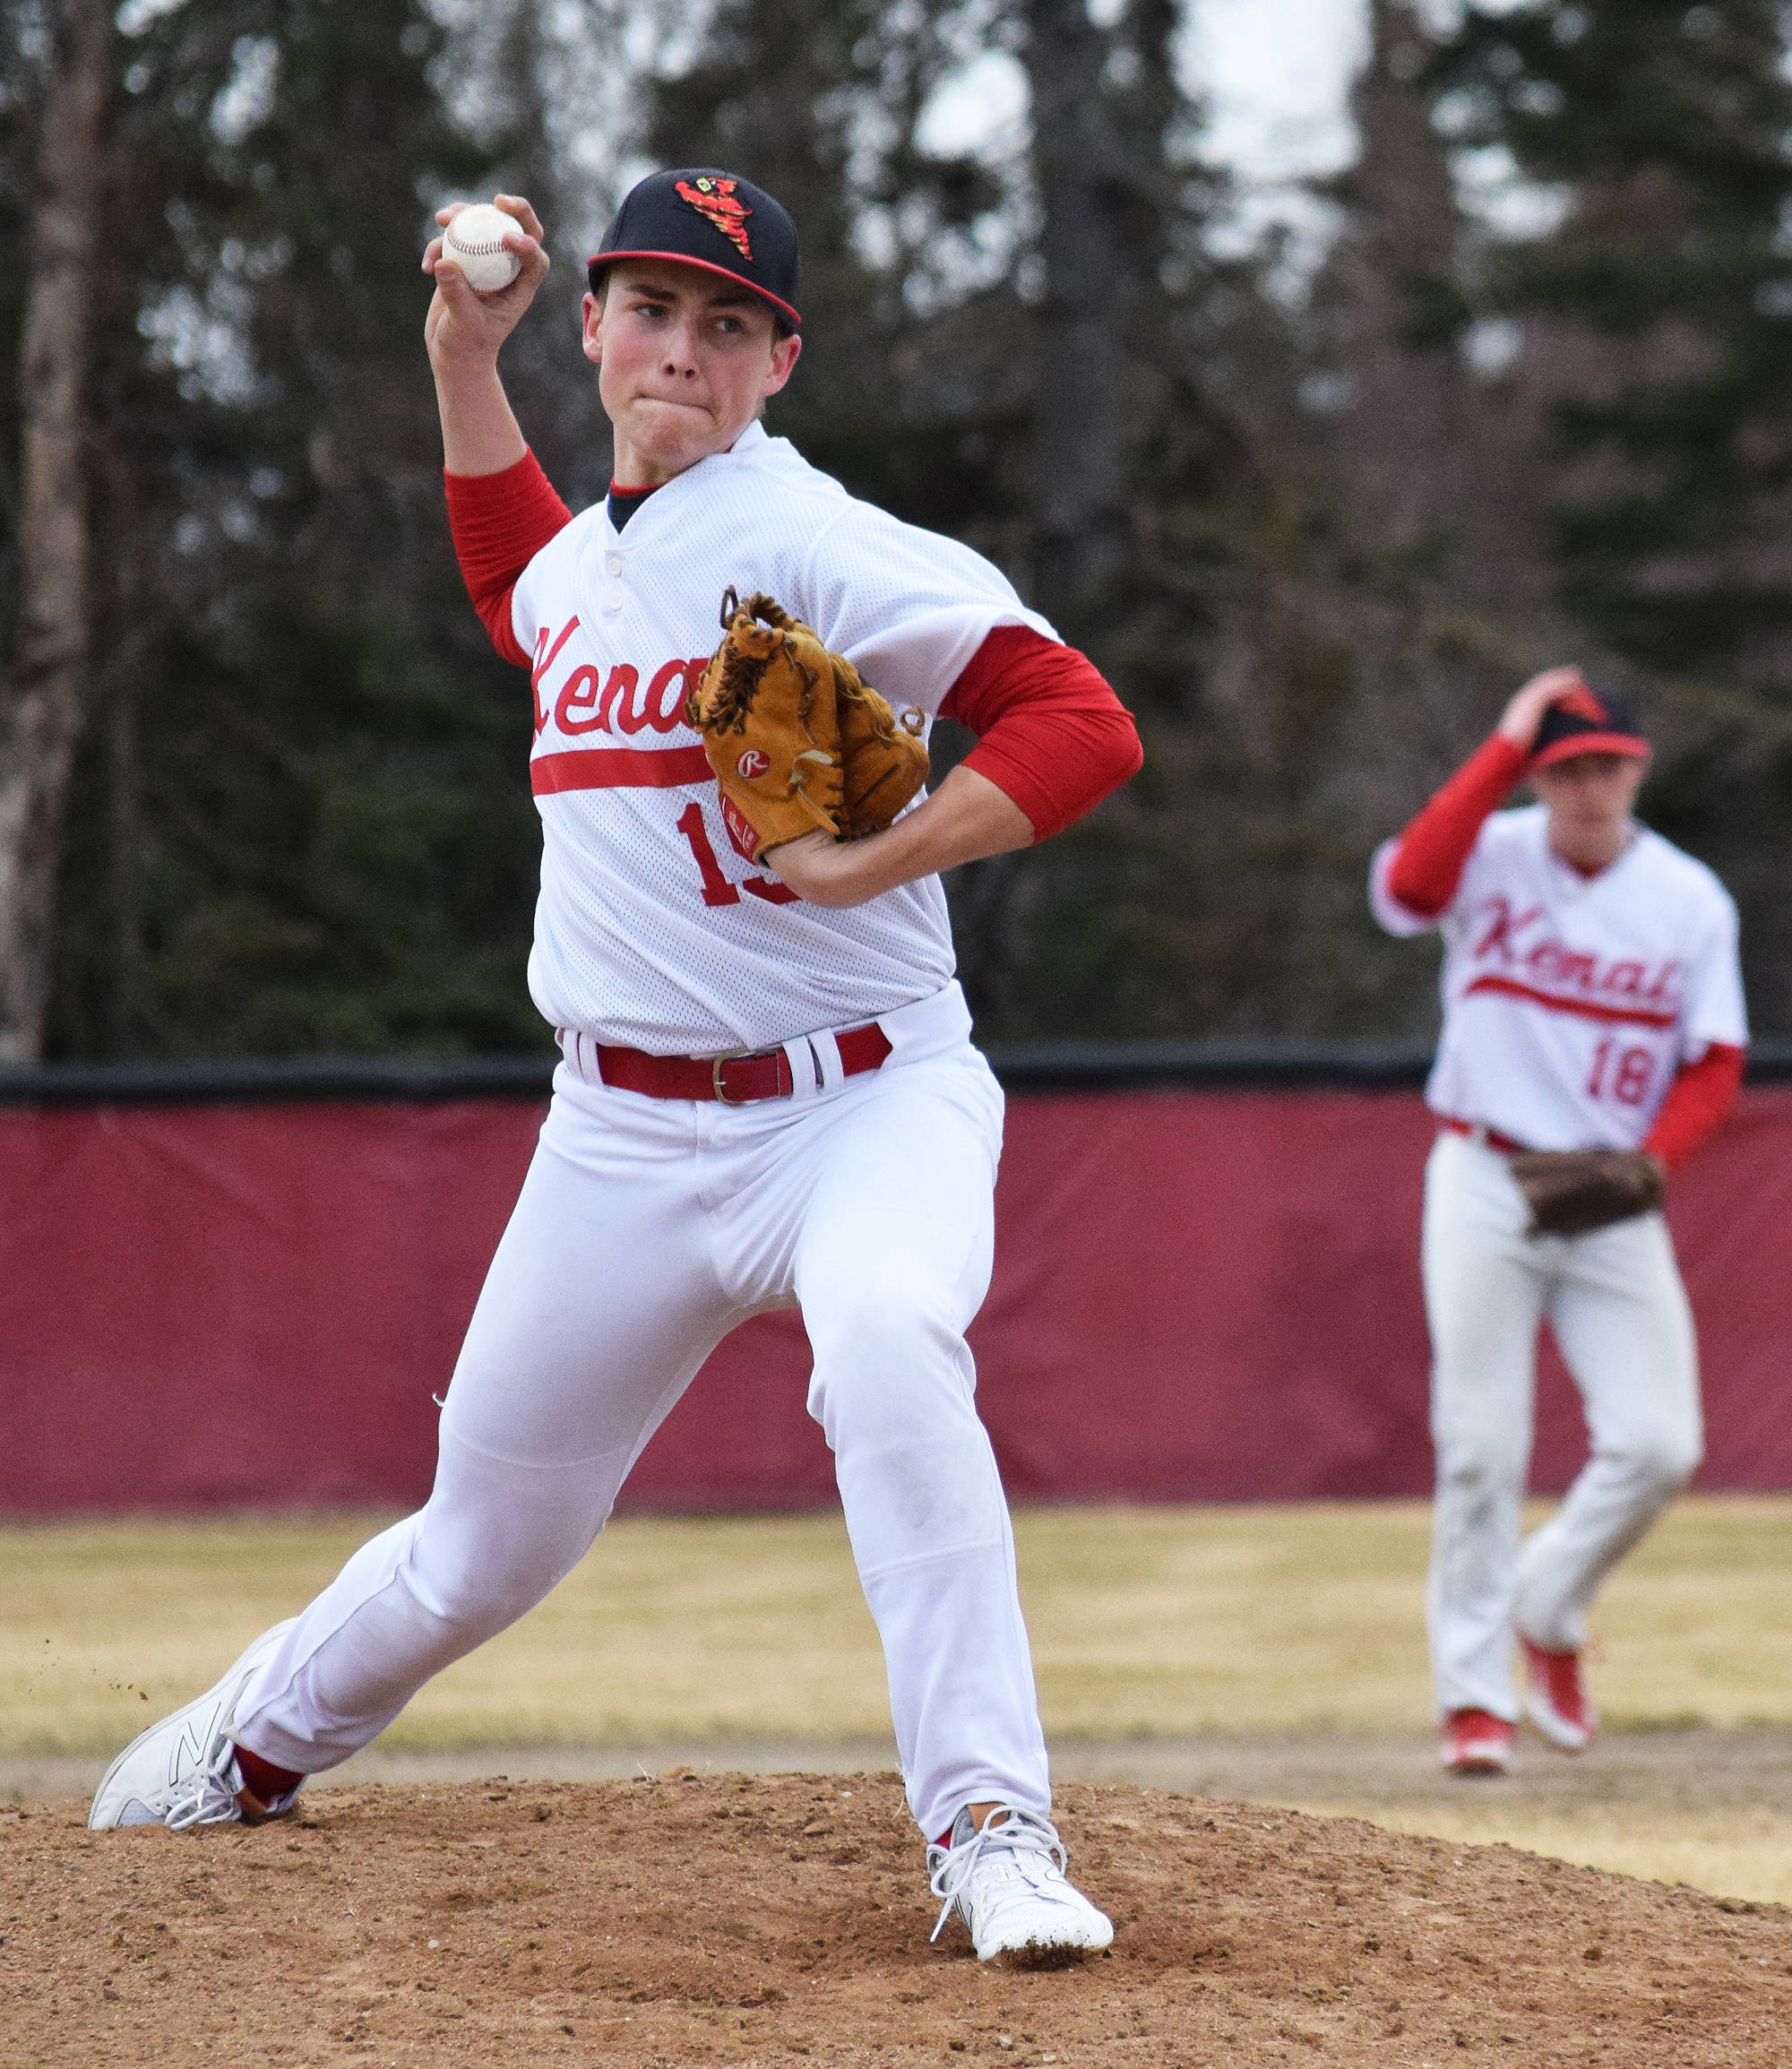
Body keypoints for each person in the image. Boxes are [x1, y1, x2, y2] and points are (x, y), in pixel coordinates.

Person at [89, 170, 1142, 1965]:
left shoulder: (814, 540)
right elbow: (521, 578)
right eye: (651, 308)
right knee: (480, 1544)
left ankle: (991, 1822)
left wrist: (870, 856)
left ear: (778, 362)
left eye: (728, 324)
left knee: (890, 1342)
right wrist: (454, 354)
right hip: (620, 1138)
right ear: (589, 325)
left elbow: (1081, 719)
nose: (684, 349)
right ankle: (246, 1743)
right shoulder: (587, 560)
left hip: (863, 1098)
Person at [1370, 669, 1747, 1776]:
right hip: (1484, 1170)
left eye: (1608, 764)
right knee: (1481, 1443)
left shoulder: (1687, 898)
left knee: (1659, 1442)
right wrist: (1499, 742)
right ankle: (1472, 1698)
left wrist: (1652, 1161)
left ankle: (1548, 1606)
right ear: (1540, 775)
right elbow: (1403, 886)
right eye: (1567, 766)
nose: (1589, 786)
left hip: (1604, 1189)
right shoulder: (1492, 855)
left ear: (1638, 766)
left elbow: (1713, 1058)